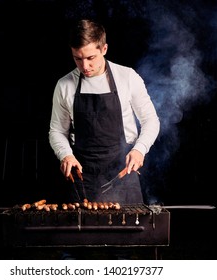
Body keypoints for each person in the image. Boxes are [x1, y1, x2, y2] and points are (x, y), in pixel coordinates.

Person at [49, 19, 160, 207]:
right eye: (78, 58)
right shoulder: (64, 85)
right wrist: (65, 154)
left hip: (122, 173)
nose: (84, 66)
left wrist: (139, 149)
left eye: (91, 58)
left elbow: (151, 120)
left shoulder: (127, 77)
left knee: (129, 236)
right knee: (80, 236)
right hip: (83, 177)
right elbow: (57, 130)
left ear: (104, 49)